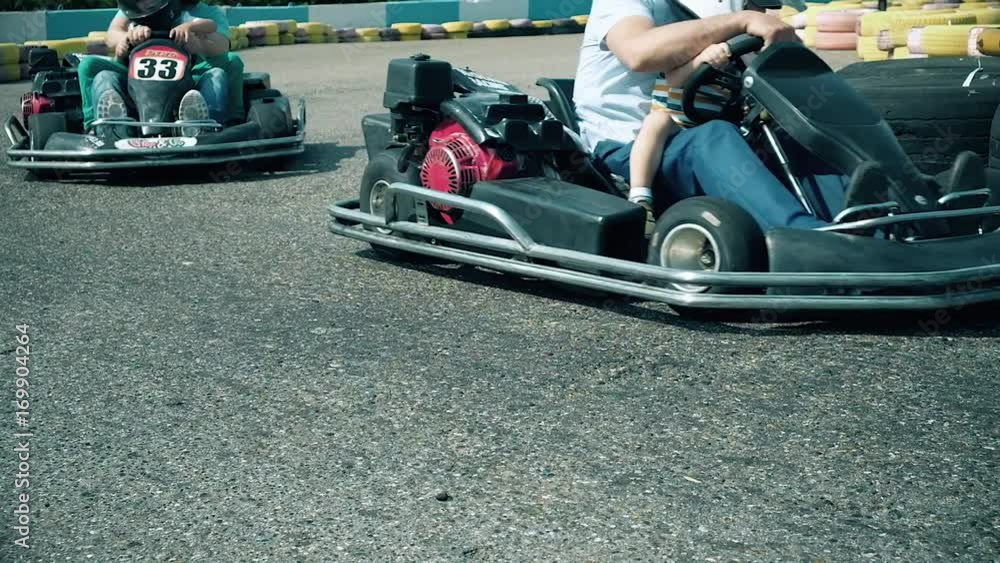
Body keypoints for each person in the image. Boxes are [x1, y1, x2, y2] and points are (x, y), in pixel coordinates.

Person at [574, 0, 849, 232]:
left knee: (791, 136)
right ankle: (805, 240)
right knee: (714, 136)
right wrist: (742, 20)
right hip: (630, 148)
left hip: (712, 129)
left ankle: (864, 228)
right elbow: (639, 53)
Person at [76, 0, 243, 137]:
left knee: (226, 66)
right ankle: (100, 126)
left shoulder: (202, 14)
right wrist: (126, 39)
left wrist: (198, 44)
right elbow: (113, 33)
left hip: (187, 78)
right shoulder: (140, 7)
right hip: (134, 78)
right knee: (91, 67)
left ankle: (211, 124)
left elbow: (222, 45)